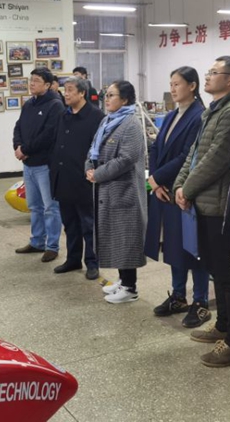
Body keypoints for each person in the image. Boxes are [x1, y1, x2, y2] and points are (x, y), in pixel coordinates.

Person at [174, 56, 230, 367]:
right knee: (216, 269)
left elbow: (215, 161)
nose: (207, 77)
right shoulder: (214, 111)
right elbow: (194, 154)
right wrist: (180, 185)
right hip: (203, 203)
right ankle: (222, 325)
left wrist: (187, 189)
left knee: (229, 274)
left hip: (219, 206)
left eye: (214, 73)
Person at [144, 66, 211, 328]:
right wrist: (154, 179)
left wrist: (158, 178)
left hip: (184, 190)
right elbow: (155, 147)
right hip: (164, 189)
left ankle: (201, 301)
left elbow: (187, 155)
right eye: (170, 84)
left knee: (193, 249)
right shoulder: (172, 114)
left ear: (192, 86)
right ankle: (178, 295)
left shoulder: (199, 116)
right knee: (174, 246)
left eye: (177, 84)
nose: (172, 89)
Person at [85, 80, 147, 304]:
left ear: (125, 99)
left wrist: (98, 174)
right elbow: (93, 148)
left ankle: (130, 288)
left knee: (125, 240)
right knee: (116, 239)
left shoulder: (131, 124)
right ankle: (123, 281)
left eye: (112, 95)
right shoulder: (107, 120)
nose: (107, 99)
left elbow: (126, 158)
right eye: (107, 95)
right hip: (107, 190)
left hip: (124, 192)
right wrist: (89, 168)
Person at [50, 77, 105, 279]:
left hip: (84, 179)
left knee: (88, 224)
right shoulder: (63, 115)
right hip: (63, 177)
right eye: (65, 89)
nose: (66, 93)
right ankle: (73, 259)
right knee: (70, 224)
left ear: (82, 93)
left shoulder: (96, 116)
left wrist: (93, 172)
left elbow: (99, 150)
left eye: (70, 90)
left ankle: (92, 262)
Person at [13, 67, 65, 262]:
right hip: (28, 164)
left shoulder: (55, 105)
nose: (32, 83)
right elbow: (18, 127)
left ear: (48, 85)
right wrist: (17, 146)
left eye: (36, 80)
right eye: (31, 80)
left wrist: (25, 149)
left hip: (45, 165)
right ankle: (37, 242)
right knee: (34, 206)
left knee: (50, 207)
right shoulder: (29, 104)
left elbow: (48, 135)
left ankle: (52, 246)